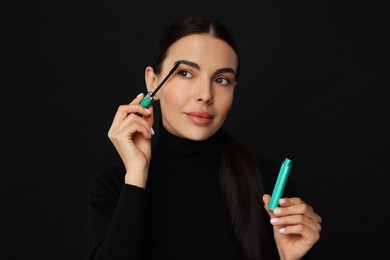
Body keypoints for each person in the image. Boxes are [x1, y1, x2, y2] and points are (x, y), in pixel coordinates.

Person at [87, 16, 322, 260]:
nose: (205, 95)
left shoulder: (268, 183)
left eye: (222, 80)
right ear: (152, 81)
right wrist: (136, 174)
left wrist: (289, 259)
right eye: (186, 73)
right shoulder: (114, 186)